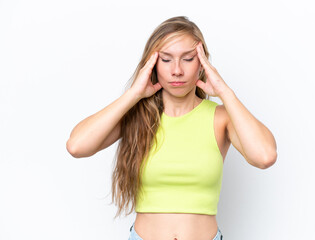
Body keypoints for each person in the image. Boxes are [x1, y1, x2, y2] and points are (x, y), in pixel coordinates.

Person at [66, 16, 277, 240]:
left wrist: (225, 92)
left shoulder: (220, 118)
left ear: (202, 64)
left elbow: (264, 156)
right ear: (153, 64)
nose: (177, 70)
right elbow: (77, 146)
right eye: (166, 59)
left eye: (188, 59)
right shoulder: (137, 116)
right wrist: (133, 95)